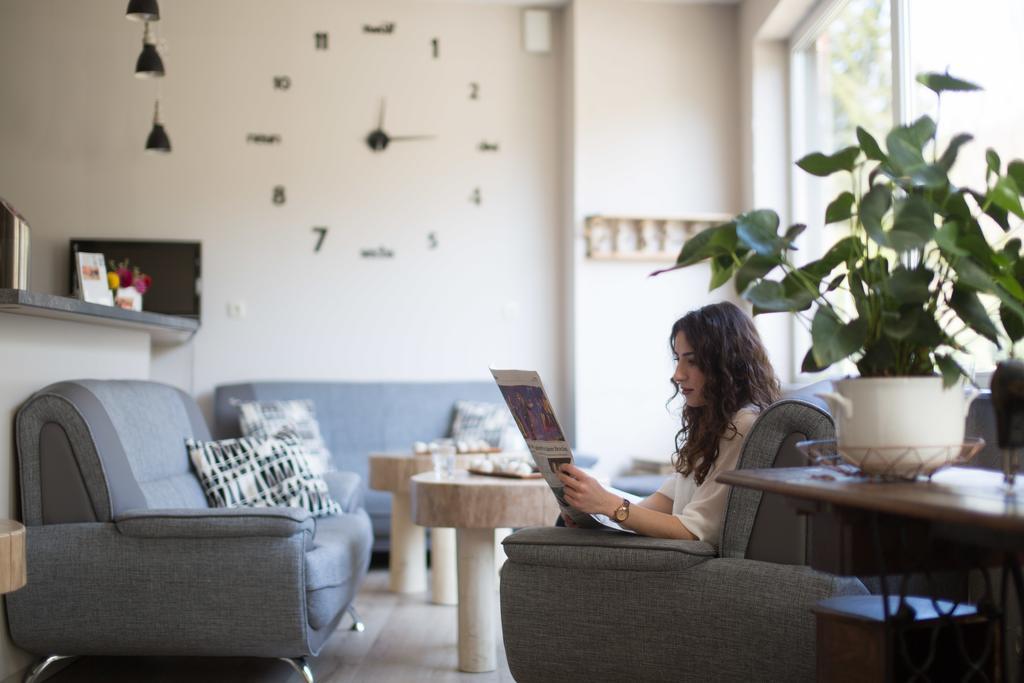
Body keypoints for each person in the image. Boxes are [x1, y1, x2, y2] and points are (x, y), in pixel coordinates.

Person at [557, 301, 781, 545]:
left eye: (692, 361)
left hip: (686, 560)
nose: (677, 374)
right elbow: (665, 501)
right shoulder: (714, 421)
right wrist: (599, 513)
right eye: (677, 359)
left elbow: (692, 531)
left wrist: (610, 505)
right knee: (569, 525)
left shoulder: (743, 425)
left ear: (727, 363)